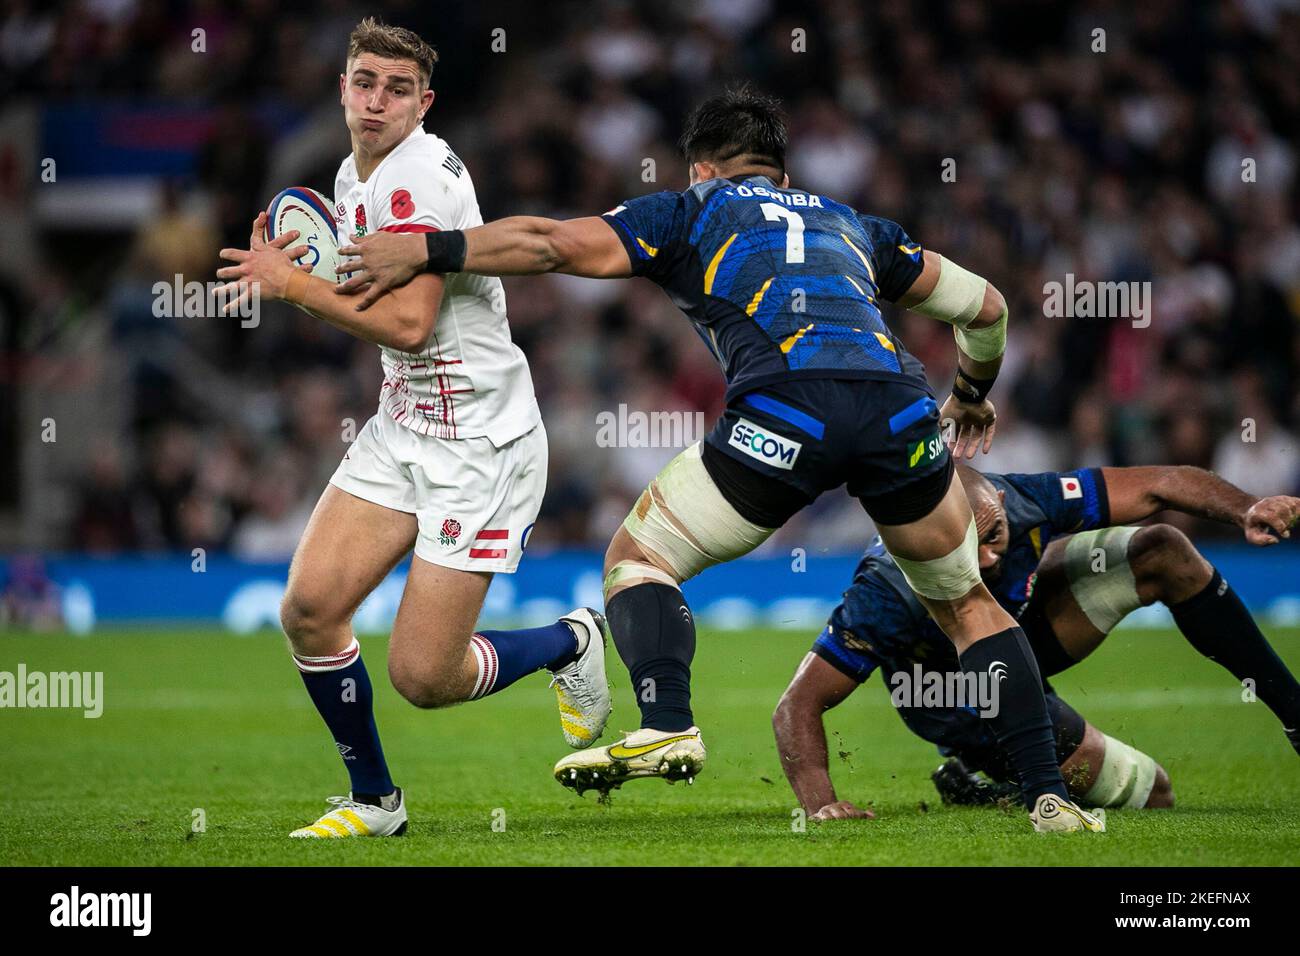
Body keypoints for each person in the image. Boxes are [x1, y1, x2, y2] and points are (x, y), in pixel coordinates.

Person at [332, 85, 1102, 831]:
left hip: (788, 410)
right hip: (899, 408)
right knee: (968, 604)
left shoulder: (690, 210)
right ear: (783, 176)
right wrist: (969, 393)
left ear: (699, 169)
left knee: (638, 557)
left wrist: (427, 249)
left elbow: (551, 243)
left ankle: (667, 720)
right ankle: (1047, 798)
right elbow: (989, 307)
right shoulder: (853, 223)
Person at [214, 18, 610, 839]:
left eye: (397, 89)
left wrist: (294, 286)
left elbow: (407, 325)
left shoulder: (419, 179)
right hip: (402, 425)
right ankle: (375, 804)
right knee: (311, 610)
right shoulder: (349, 178)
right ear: (343, 87)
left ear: (423, 103)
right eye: (364, 82)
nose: (376, 101)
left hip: (479, 442)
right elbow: (375, 315)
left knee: (424, 678)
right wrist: (308, 270)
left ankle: (571, 643)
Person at [774, 464, 1300, 819]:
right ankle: (991, 787)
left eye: (995, 535)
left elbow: (1160, 482)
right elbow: (796, 704)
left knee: (1162, 549)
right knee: (1154, 791)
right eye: (967, 548)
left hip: (1026, 628)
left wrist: (1245, 508)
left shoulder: (1026, 498)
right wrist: (823, 806)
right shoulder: (887, 590)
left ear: (1001, 501)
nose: (987, 562)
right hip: (957, 692)